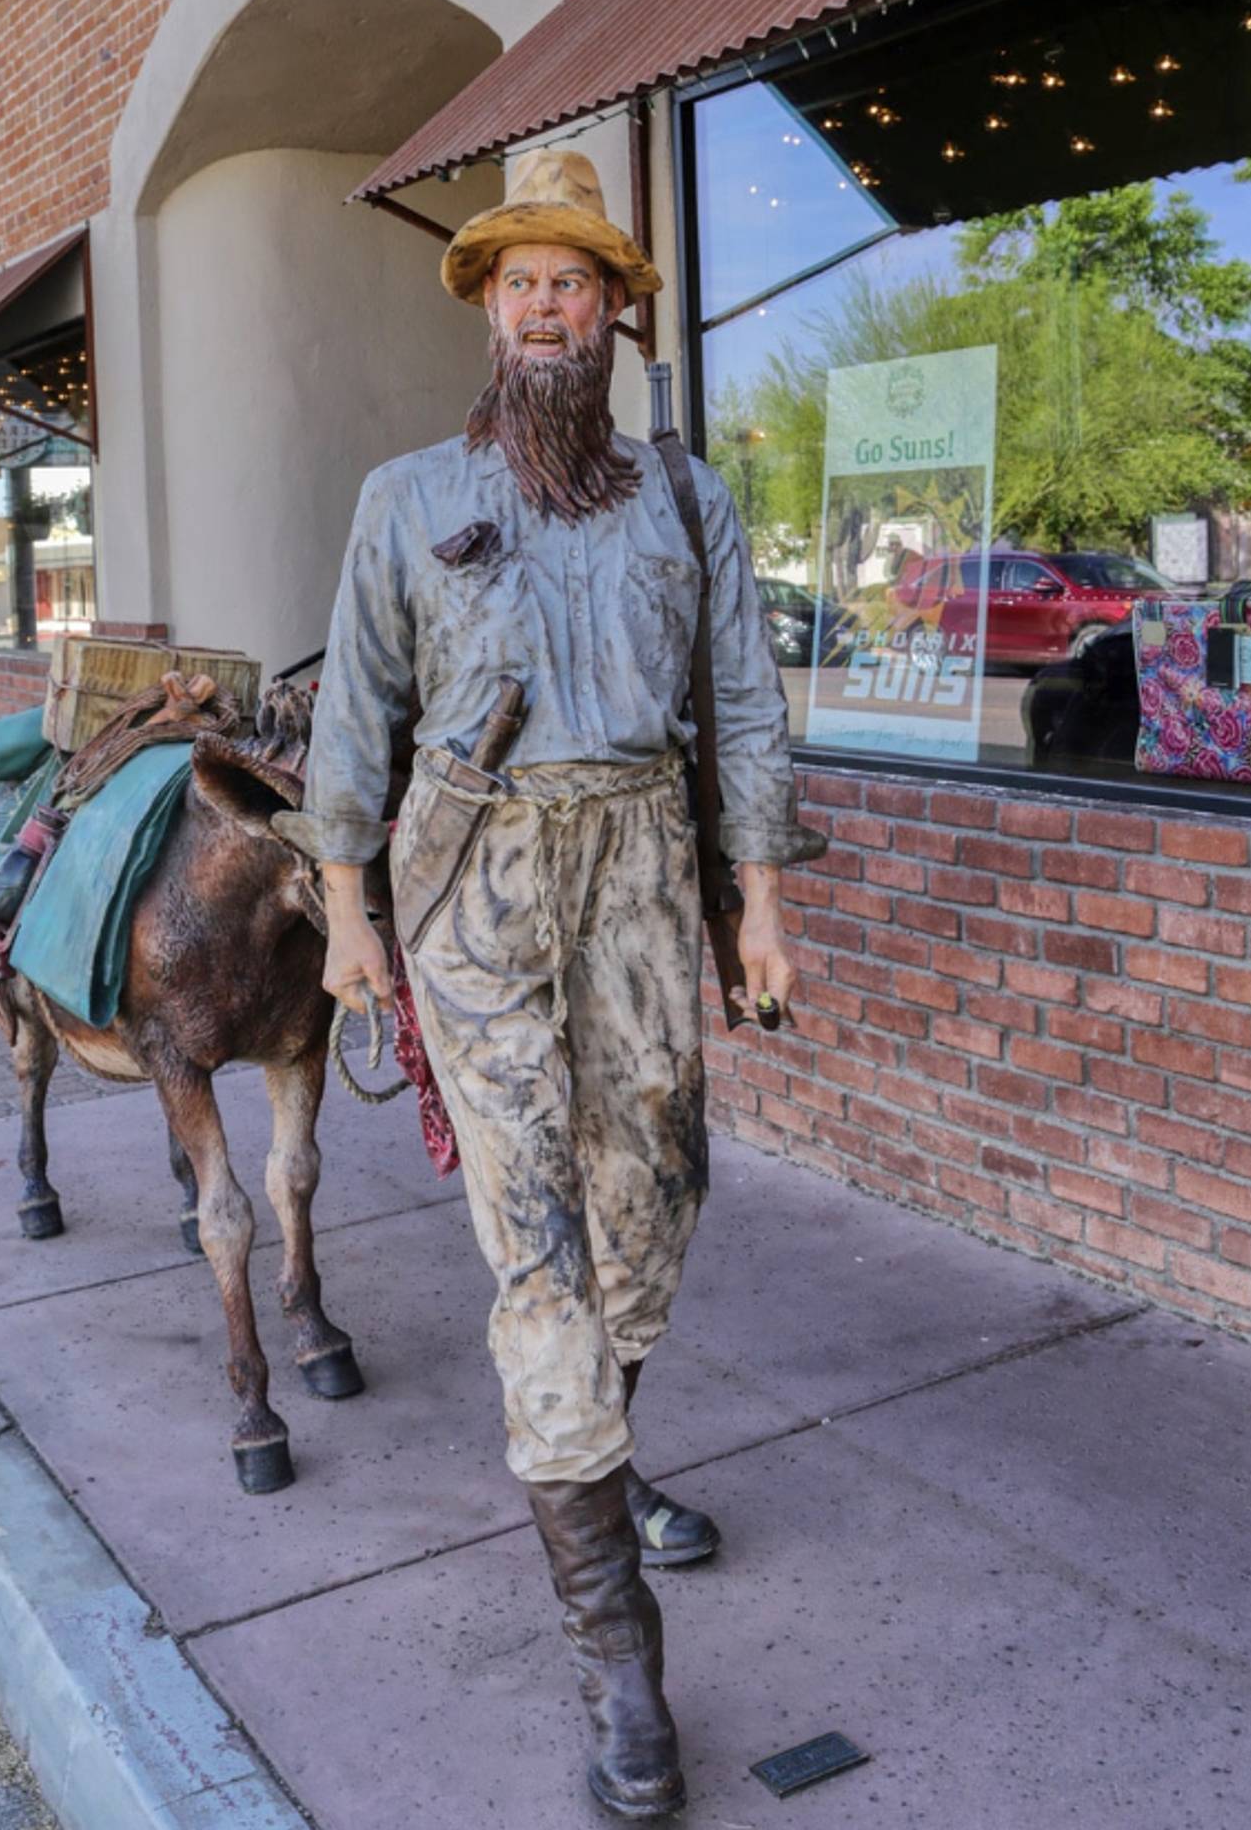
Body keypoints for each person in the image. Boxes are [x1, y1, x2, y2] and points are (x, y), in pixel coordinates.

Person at [287, 149, 825, 1819]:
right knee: (535, 1232)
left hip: (652, 871)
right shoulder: (401, 498)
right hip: (482, 889)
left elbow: (740, 706)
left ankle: (584, 1434)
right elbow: (353, 722)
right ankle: (618, 1645)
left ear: (611, 317)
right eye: (519, 280)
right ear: (490, 311)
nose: (544, 305)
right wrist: (346, 913)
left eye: (573, 282)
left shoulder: (687, 497)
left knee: (655, 1194)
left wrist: (763, 905)